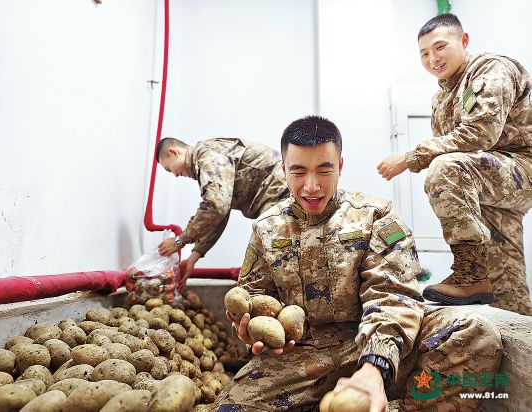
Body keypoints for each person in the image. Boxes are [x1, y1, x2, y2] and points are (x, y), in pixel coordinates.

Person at [212, 115, 502, 411]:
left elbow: (393, 295)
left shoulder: (376, 216)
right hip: (300, 359)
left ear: (340, 167)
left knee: (475, 332)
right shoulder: (266, 229)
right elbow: (254, 297)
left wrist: (375, 367)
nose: (311, 186)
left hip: (373, 343)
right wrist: (248, 330)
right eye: (298, 172)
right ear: (284, 170)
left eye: (324, 170)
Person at [377, 13, 532, 315]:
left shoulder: (491, 70)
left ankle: (469, 274)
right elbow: (452, 145)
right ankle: (519, 329)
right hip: (488, 181)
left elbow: (479, 133)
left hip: (521, 168)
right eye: (424, 53)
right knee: (505, 288)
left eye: (440, 47)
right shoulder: (441, 99)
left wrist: (410, 158)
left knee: (446, 169)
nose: (432, 58)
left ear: (464, 40)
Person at [155, 137, 289, 285]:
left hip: (280, 194)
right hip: (277, 197)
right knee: (273, 265)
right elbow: (218, 214)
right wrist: (193, 258)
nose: (174, 174)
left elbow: (216, 206)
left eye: (169, 169)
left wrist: (179, 241)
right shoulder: (206, 160)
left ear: (173, 152)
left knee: (277, 266)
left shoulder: (207, 155)